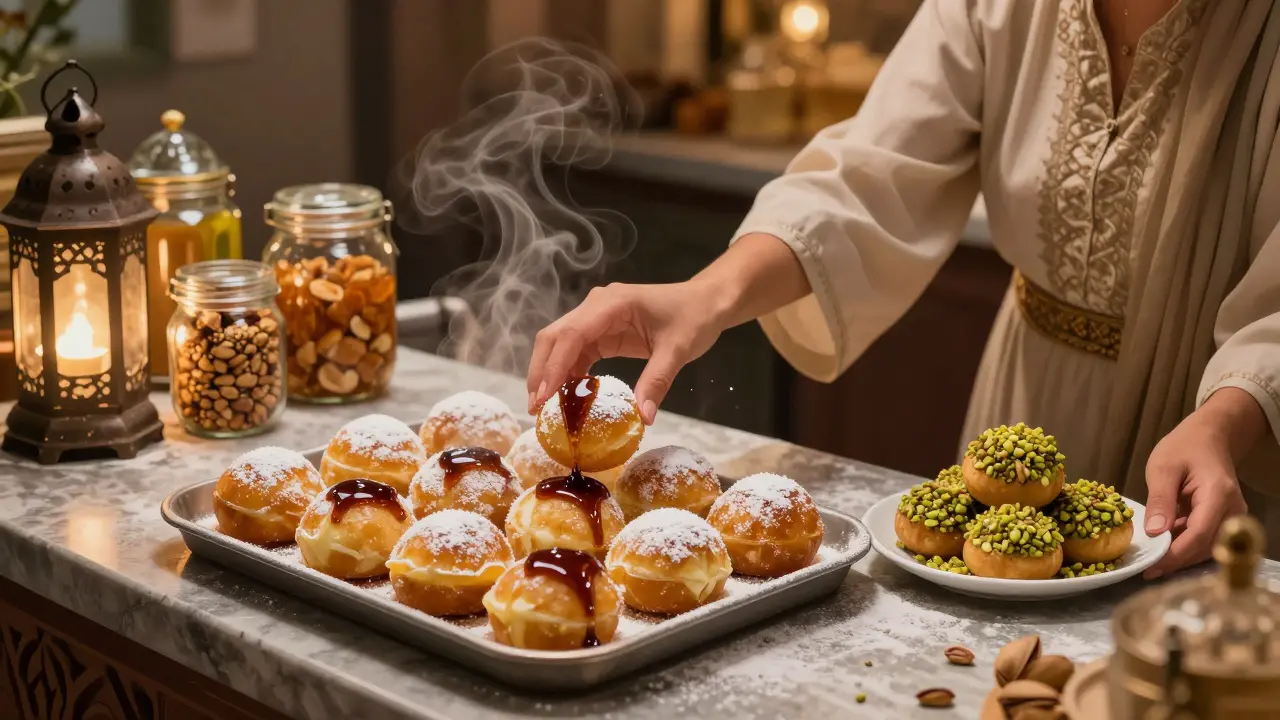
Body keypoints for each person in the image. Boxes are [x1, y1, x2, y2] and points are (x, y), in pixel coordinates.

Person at [526, 0, 1280, 577]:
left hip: (1216, 428)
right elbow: (869, 179)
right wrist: (706, 295)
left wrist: (1225, 422)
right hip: (1028, 393)